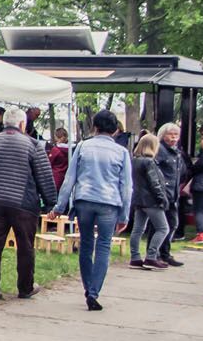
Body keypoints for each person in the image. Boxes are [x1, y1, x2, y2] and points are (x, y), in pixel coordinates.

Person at [0, 106, 57, 300]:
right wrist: (51, 202)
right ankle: (25, 287)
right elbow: (44, 176)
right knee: (25, 245)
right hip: (24, 203)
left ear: (4, 124)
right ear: (22, 124)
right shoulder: (33, 145)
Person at [55, 109, 133, 311]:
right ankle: (94, 291)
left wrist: (59, 206)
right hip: (109, 203)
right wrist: (124, 214)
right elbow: (126, 186)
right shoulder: (122, 152)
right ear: (116, 130)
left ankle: (87, 287)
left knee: (86, 244)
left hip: (85, 199)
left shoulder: (83, 147)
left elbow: (69, 178)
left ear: (94, 127)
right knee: (104, 247)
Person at [127, 134, 173, 269]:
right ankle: (151, 257)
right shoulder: (149, 162)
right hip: (151, 200)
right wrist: (162, 199)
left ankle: (135, 257)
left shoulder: (134, 161)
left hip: (138, 199)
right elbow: (155, 183)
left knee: (138, 229)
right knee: (163, 228)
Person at [154, 123, 187, 265]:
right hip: (163, 193)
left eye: (176, 135)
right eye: (170, 134)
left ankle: (165, 253)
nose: (174, 137)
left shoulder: (177, 152)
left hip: (173, 194)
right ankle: (155, 254)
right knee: (159, 226)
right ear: (163, 135)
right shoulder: (160, 150)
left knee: (172, 223)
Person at [49, 127, 72, 194]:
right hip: (66, 179)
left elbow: (49, 163)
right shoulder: (71, 150)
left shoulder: (55, 150)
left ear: (56, 137)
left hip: (55, 179)